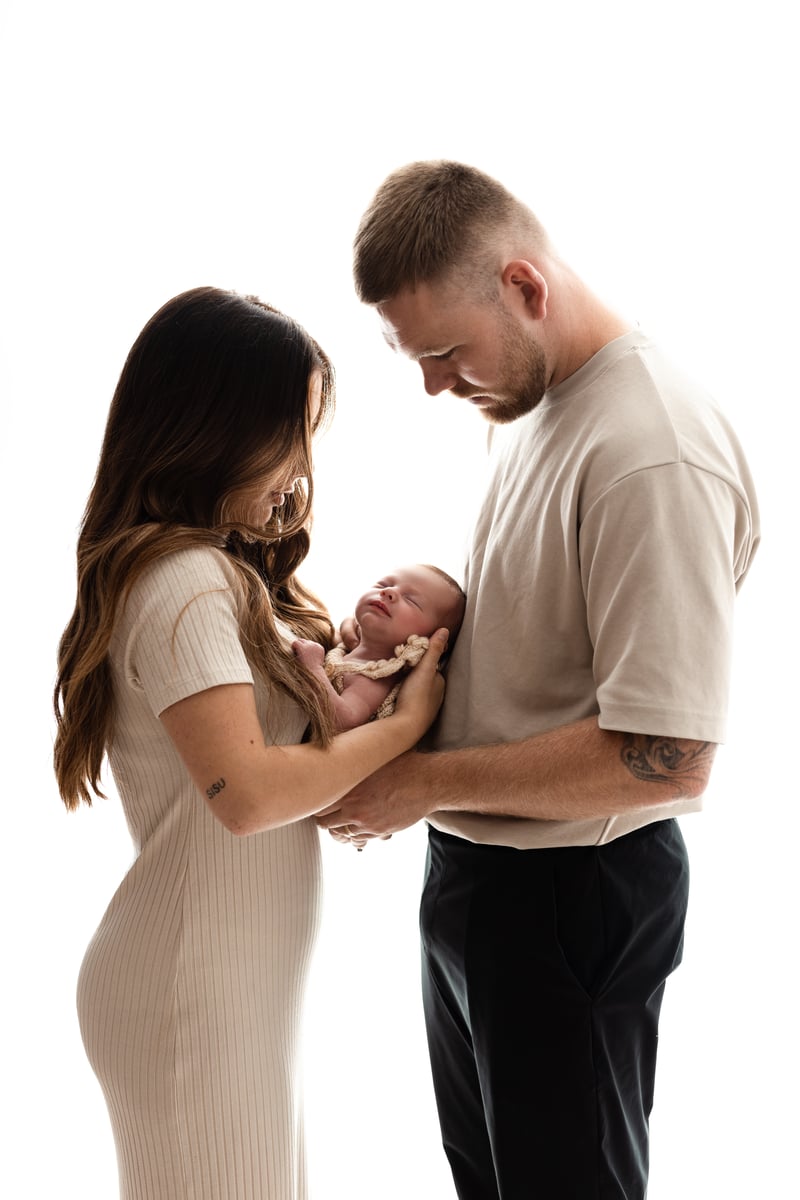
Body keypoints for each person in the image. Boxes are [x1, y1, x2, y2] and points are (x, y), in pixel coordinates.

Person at [316, 162, 761, 1200]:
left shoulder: (649, 449)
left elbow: (665, 760)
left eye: (440, 352)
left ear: (523, 285)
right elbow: (549, 640)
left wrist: (420, 784)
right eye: (407, 355)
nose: (430, 384)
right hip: (480, 879)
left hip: (569, 902)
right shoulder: (530, 408)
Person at [52, 286, 448, 1200]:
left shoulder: (217, 573)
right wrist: (409, 733)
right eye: (292, 430)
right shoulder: (189, 581)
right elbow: (251, 797)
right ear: (217, 425)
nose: (301, 464)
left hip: (217, 985)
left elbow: (278, 777)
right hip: (196, 988)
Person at [293, 563, 466, 731]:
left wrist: (313, 668)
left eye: (411, 601)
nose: (389, 591)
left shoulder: (375, 679)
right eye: (383, 584)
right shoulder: (347, 649)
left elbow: (342, 720)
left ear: (430, 639)